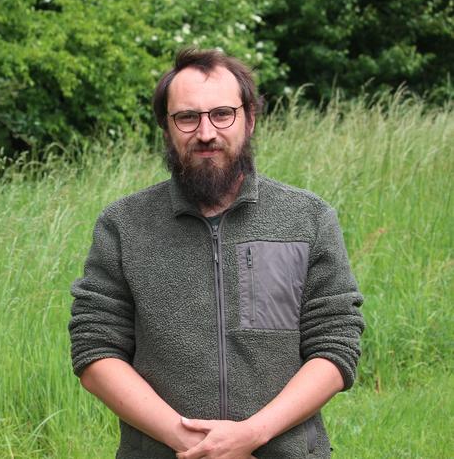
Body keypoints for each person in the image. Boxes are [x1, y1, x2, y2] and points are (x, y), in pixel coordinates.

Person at [68, 48, 364, 459]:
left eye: (222, 113)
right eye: (187, 117)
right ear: (166, 127)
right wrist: (188, 441)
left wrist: (253, 435)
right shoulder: (124, 225)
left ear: (250, 118)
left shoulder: (306, 219)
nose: (206, 132)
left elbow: (335, 345)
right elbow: (95, 350)